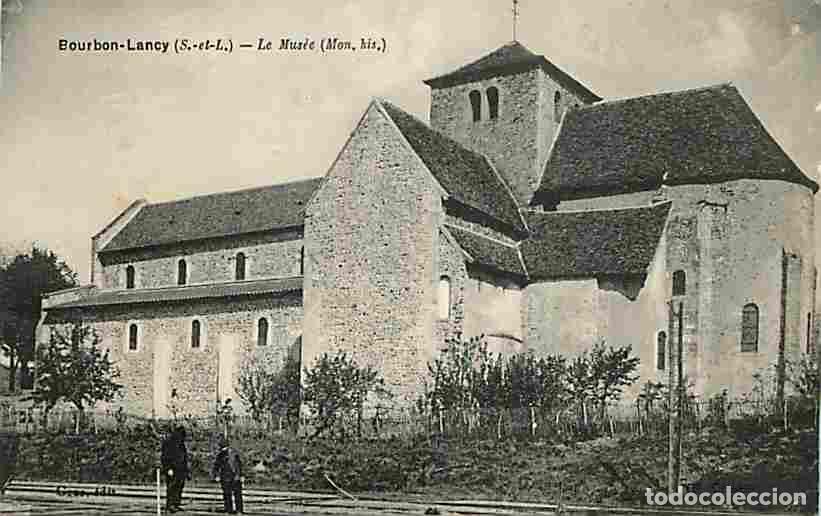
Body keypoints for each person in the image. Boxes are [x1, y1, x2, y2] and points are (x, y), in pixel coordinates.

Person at [211, 434, 243, 514]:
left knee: (227, 494)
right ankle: (239, 510)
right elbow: (239, 465)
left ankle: (229, 510)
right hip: (234, 476)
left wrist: (215, 475)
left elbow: (217, 465)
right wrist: (240, 475)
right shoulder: (234, 453)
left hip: (226, 477)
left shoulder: (221, 454)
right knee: (237, 494)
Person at [161, 425, 190, 513]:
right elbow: (164, 457)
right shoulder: (168, 443)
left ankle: (176, 504)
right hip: (172, 470)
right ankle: (170, 505)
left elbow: (184, 458)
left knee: (179, 487)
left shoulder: (181, 444)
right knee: (171, 487)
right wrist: (168, 468)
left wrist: (186, 470)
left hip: (181, 470)